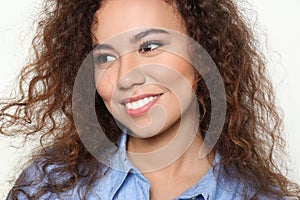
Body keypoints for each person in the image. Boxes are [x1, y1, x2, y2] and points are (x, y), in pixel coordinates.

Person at [1, 0, 299, 199]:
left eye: (150, 46)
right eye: (105, 57)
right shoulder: (48, 186)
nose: (126, 77)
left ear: (202, 55)